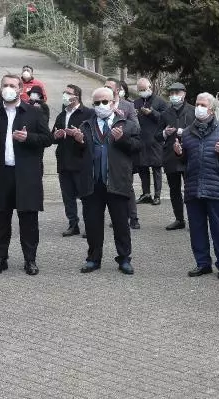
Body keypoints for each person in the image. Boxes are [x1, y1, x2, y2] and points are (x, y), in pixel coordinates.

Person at [0, 74, 53, 277]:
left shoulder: (33, 113)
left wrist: (29, 137)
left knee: (28, 218)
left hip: (26, 174)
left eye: (12, 85)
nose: (8, 88)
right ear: (0, 88)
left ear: (20, 89)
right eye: (5, 85)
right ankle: (0, 258)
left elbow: (47, 138)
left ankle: (30, 260)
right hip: (0, 174)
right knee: (0, 218)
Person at [173, 92, 219, 280]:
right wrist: (179, 154)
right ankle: (203, 263)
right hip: (193, 186)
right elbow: (186, 159)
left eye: (202, 104)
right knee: (197, 228)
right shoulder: (187, 132)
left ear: (211, 109)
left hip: (216, 186)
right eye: (197, 103)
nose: (199, 107)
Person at [76, 87, 141, 275]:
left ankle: (124, 259)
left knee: (121, 224)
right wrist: (78, 143)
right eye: (97, 103)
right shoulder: (85, 126)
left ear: (113, 103)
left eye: (105, 102)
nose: (101, 106)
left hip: (117, 182)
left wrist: (122, 140)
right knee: (93, 224)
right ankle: (93, 258)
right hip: (92, 183)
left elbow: (138, 147)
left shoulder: (127, 125)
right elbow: (77, 155)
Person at [53, 84, 95, 237]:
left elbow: (92, 136)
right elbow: (53, 135)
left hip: (81, 160)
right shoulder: (61, 115)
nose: (65, 95)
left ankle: (90, 225)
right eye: (64, 92)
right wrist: (56, 136)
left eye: (68, 93)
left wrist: (80, 136)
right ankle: (73, 224)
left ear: (77, 96)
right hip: (64, 160)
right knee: (67, 196)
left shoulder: (88, 113)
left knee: (85, 195)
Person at [157, 82, 195, 231]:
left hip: (189, 154)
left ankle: (194, 219)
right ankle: (179, 219)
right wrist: (165, 133)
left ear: (184, 94)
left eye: (177, 93)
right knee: (174, 189)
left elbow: (201, 131)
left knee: (190, 189)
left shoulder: (192, 111)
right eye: (171, 93)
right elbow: (157, 136)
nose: (174, 96)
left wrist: (185, 132)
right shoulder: (165, 113)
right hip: (170, 155)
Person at [104, 77, 141, 229]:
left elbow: (137, 128)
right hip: (106, 154)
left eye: (109, 87)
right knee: (109, 186)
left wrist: (121, 118)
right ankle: (118, 217)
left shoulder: (128, 106)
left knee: (127, 186)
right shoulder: (101, 104)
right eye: (104, 86)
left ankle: (133, 218)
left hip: (123, 152)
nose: (106, 88)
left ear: (117, 90)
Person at [134, 78, 167, 206]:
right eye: (140, 90)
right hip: (141, 140)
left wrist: (152, 112)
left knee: (156, 168)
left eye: (144, 89)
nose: (142, 92)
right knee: (142, 168)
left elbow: (166, 118)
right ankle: (146, 194)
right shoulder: (136, 103)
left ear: (150, 88)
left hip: (155, 140)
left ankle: (157, 195)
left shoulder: (159, 101)